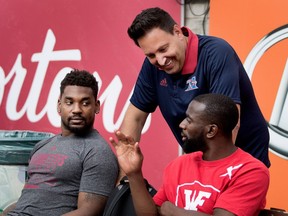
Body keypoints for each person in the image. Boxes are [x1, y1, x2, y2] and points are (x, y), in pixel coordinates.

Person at [120, 7, 270, 168]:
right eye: (151, 55)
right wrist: (124, 178)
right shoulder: (153, 67)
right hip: (198, 156)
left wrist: (205, 175)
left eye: (164, 49)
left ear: (178, 32)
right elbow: (135, 118)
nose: (161, 60)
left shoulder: (217, 53)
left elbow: (228, 124)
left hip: (242, 154)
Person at [111, 93, 270, 216]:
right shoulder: (180, 164)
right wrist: (134, 173)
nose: (182, 125)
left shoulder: (251, 171)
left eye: (189, 120)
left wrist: (172, 211)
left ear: (211, 130)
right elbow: (151, 214)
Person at [6, 69, 119, 216]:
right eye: (69, 102)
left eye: (85, 103)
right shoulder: (41, 146)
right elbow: (28, 199)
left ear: (96, 106)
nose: (76, 110)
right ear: (59, 105)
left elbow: (89, 212)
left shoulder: (98, 151)